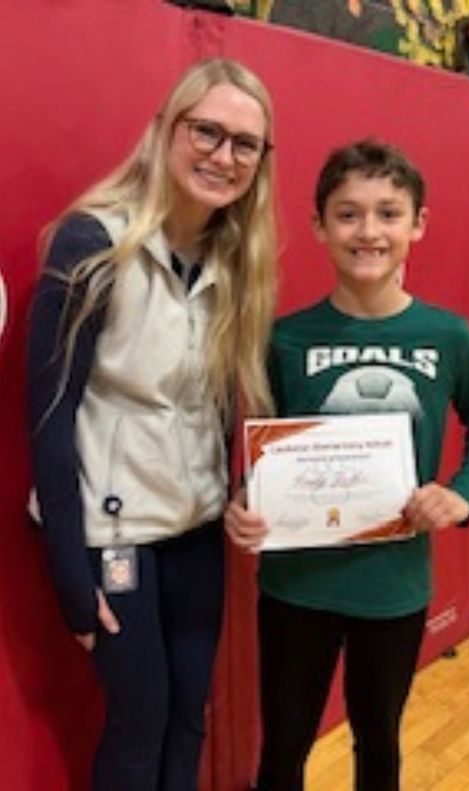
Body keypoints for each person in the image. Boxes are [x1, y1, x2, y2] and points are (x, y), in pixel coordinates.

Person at [26, 59, 278, 790]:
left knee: (189, 714)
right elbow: (49, 413)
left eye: (244, 144)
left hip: (194, 529)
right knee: (140, 720)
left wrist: (239, 489)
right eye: (207, 131)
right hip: (114, 535)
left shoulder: (238, 260)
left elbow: (225, 403)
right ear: (166, 131)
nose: (222, 156)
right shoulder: (91, 243)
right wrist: (71, 572)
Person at [224, 139, 469, 791]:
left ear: (418, 224)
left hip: (391, 588)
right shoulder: (284, 338)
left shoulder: (448, 335)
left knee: (378, 744)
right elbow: (261, 449)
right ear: (318, 225)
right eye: (347, 214)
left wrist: (463, 493)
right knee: (283, 749)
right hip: (295, 586)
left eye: (389, 213)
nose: (368, 230)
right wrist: (242, 502)